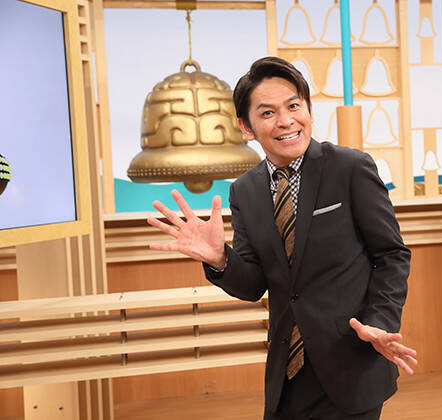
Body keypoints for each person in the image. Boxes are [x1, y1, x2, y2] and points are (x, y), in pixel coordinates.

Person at [148, 56, 417, 419]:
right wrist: (220, 258)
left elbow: (391, 255)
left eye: (293, 106)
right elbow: (253, 284)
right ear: (246, 127)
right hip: (286, 373)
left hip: (351, 360)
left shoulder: (350, 168)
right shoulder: (245, 190)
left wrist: (379, 321)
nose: (286, 121)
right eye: (268, 113)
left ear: (308, 109)